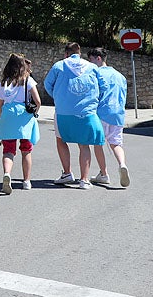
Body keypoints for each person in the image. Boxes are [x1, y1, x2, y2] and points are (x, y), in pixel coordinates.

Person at [43, 42, 106, 190]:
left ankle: (67, 173)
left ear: (66, 53)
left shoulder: (59, 66)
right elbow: (103, 86)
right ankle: (84, 179)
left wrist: (57, 97)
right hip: (87, 111)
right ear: (80, 53)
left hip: (63, 111)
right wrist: (94, 101)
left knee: (60, 140)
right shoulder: (91, 67)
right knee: (84, 144)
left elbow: (47, 84)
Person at [0, 54, 42, 194]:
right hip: (24, 117)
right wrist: (35, 112)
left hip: (8, 116)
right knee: (26, 150)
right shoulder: (28, 80)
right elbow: (38, 101)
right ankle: (26, 181)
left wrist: (3, 118)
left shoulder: (4, 82)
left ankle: (7, 174)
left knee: (8, 150)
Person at [88, 47, 130, 188]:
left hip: (101, 112)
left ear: (98, 58)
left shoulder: (96, 73)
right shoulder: (120, 76)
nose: (91, 63)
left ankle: (104, 174)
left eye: (91, 59)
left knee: (98, 143)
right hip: (118, 114)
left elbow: (93, 93)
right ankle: (122, 165)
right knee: (116, 143)